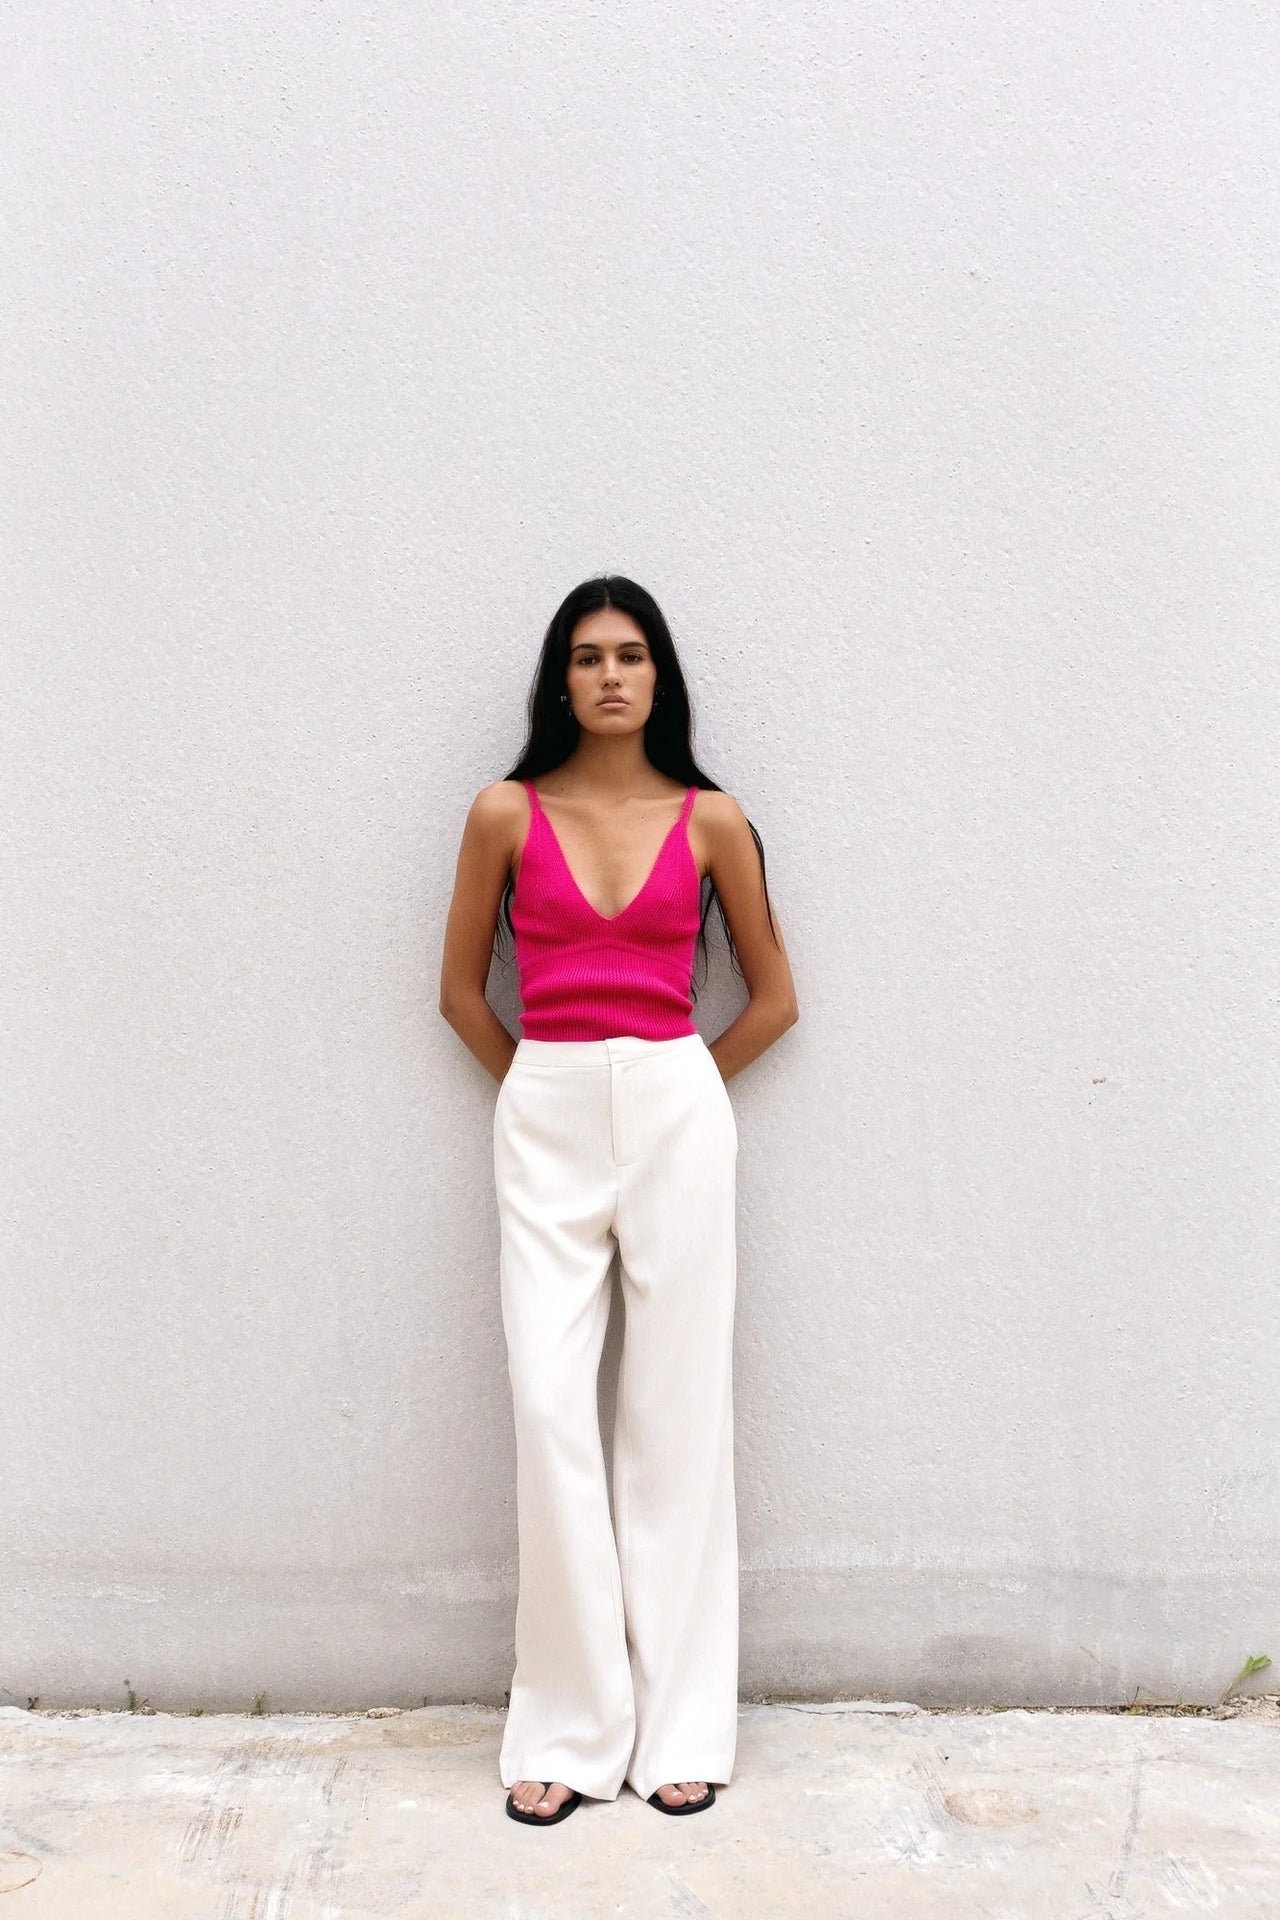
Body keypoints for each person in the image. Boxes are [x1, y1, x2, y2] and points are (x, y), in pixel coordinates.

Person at [439, 575, 798, 1823]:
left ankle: (682, 1725)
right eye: (587, 656)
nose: (608, 675)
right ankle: (569, 1725)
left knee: (674, 1415)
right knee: (548, 1407)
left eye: (630, 655)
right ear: (557, 679)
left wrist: (676, 1084)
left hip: (675, 1107)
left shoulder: (710, 820)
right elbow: (457, 996)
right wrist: (541, 1093)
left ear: (659, 677)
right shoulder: (500, 812)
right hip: (541, 1110)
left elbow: (772, 999)